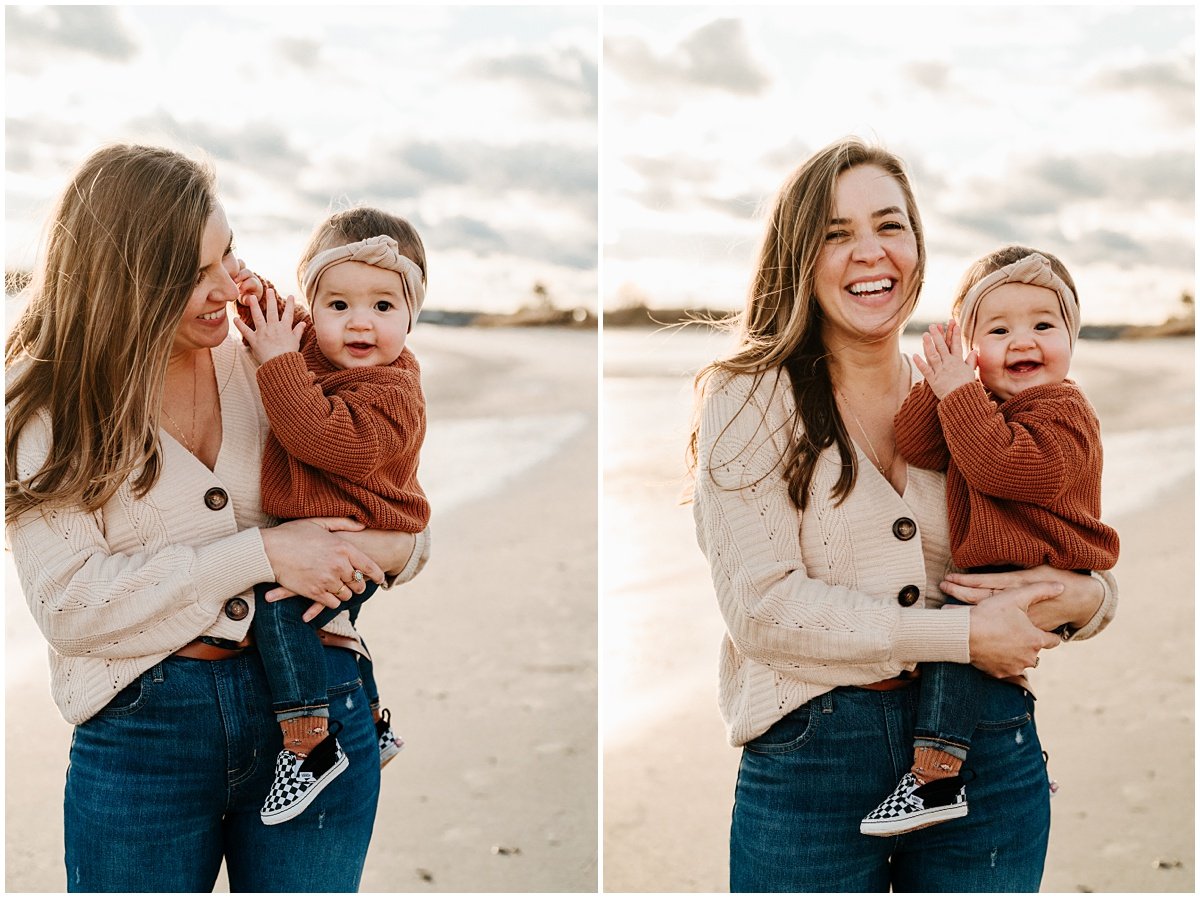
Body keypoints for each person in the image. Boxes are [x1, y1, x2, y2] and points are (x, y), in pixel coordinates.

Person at [688, 137, 1118, 892]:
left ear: (918, 245)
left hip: (989, 751)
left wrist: (1092, 599)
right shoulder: (747, 398)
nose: (869, 253)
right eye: (835, 234)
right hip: (810, 761)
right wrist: (958, 634)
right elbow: (760, 608)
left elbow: (1062, 525)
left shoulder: (973, 399)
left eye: (890, 225)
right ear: (798, 257)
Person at [5, 144, 427, 892]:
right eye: (195, 274)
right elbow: (69, 606)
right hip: (143, 739)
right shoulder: (44, 403)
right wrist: (260, 555)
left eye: (227, 254)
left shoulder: (269, 364)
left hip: (323, 721)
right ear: (126, 283)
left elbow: (386, 489)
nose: (226, 285)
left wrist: (400, 545)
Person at [859, 247, 1120, 836]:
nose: (1022, 340)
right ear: (974, 346)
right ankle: (963, 770)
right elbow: (920, 446)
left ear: (1070, 336)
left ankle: (935, 776)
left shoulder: (1065, 407)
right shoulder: (984, 406)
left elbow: (1008, 469)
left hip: (1045, 559)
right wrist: (943, 384)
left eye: (1043, 324)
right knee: (965, 645)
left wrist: (961, 394)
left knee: (963, 642)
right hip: (1001, 564)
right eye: (998, 329)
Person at [232, 211, 431, 825]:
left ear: (410, 315)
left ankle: (308, 746)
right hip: (328, 534)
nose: (359, 322)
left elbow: (324, 439)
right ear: (314, 309)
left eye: (382, 306)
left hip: (362, 535)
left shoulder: (393, 389)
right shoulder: (319, 351)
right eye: (338, 304)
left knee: (280, 614)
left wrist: (274, 364)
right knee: (327, 624)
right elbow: (272, 317)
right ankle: (371, 719)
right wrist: (240, 280)